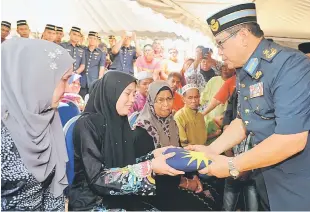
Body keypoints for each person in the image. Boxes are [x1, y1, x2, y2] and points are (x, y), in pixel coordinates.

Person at [187, 3, 310, 210]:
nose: (219, 52)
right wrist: (211, 150)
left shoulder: (291, 66)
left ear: (243, 36)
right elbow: (244, 121)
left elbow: (292, 140)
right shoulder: (248, 69)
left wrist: (232, 165)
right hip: (278, 185)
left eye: (221, 44)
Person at [67, 71, 184, 211]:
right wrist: (150, 166)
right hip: (92, 202)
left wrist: (154, 155)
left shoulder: (120, 121)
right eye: (127, 93)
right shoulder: (87, 124)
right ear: (112, 92)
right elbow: (97, 179)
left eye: (134, 94)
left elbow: (126, 163)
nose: (132, 99)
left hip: (120, 197)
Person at [1, 38, 74, 210]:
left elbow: (53, 194)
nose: (68, 89)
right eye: (64, 80)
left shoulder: (46, 119)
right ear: (35, 78)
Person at [132, 81, 220, 211]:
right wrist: (185, 183)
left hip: (177, 180)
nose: (166, 104)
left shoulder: (172, 124)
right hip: (156, 190)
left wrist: (193, 176)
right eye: (160, 100)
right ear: (151, 101)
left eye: (169, 99)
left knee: (214, 195)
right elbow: (146, 172)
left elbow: (181, 155)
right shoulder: (142, 131)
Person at [81, 31, 106, 98]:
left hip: (93, 80)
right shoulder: (82, 50)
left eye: (94, 39)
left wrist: (99, 81)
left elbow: (102, 67)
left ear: (97, 40)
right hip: (82, 79)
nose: (92, 40)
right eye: (90, 38)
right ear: (87, 39)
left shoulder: (101, 52)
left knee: (91, 99)